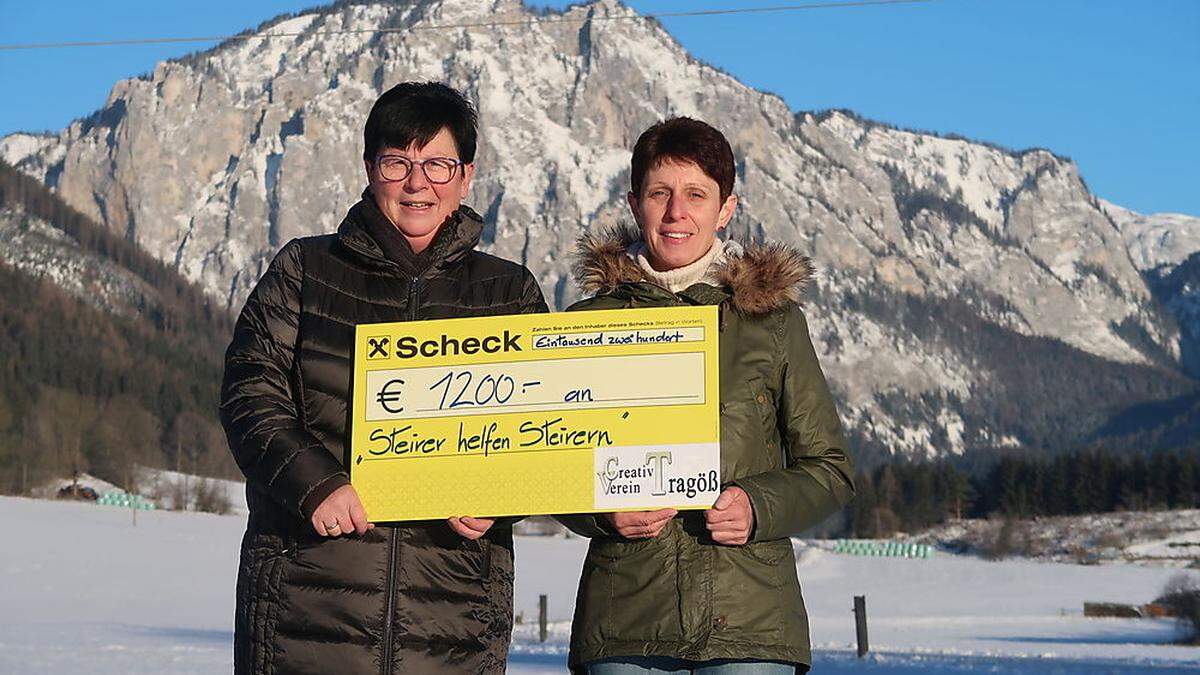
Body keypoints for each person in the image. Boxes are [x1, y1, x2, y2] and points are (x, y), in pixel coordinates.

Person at [220, 81, 547, 674]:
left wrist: (503, 496)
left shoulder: (508, 291)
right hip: (307, 603)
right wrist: (314, 484)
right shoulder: (305, 269)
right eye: (398, 162)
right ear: (371, 168)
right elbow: (250, 392)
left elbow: (544, 429)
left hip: (453, 614)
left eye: (438, 165)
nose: (418, 183)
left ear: (466, 176)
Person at [561, 117, 855, 674]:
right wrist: (602, 512)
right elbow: (547, 463)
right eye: (659, 194)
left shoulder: (773, 322)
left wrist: (757, 506)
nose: (677, 213)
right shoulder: (587, 325)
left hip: (750, 627)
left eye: (696, 195)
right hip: (626, 623)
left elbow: (831, 469)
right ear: (634, 203)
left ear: (725, 209)